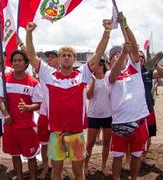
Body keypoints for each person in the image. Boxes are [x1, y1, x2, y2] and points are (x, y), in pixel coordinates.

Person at [26, 18, 112, 180]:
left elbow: (98, 53)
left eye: (69, 55)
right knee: (56, 171)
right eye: (63, 55)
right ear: (59, 59)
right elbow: (30, 55)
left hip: (76, 133)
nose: (66, 57)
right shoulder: (48, 74)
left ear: (74, 59)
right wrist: (29, 33)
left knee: (78, 171)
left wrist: (107, 31)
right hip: (56, 133)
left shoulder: (83, 74)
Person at [107, 14, 149, 180]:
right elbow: (114, 75)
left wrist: (125, 25)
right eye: (114, 56)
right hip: (119, 122)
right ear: (110, 62)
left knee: (137, 155)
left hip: (139, 120)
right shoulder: (111, 73)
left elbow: (133, 43)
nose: (119, 56)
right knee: (117, 156)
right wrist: (123, 53)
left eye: (120, 54)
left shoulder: (135, 68)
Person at [0, 50, 42, 180]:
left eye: (20, 60)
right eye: (14, 60)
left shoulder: (33, 82)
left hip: (27, 127)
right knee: (15, 155)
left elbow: (39, 104)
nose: (16, 63)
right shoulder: (4, 79)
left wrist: (28, 107)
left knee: (31, 157)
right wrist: (6, 114)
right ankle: (20, 177)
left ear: (26, 63)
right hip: (10, 126)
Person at [84, 59, 111, 175]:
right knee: (90, 143)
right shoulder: (89, 79)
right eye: (97, 64)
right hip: (93, 115)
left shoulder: (109, 78)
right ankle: (85, 165)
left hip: (108, 115)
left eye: (101, 64)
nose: (99, 66)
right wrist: (94, 82)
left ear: (103, 66)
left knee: (106, 142)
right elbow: (89, 96)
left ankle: (103, 166)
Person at [139, 50, 163, 166]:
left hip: (149, 107)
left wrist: (155, 63)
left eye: (142, 57)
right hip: (135, 110)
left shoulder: (148, 71)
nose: (140, 58)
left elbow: (162, 74)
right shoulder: (131, 71)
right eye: (138, 56)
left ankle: (143, 158)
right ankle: (130, 160)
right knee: (134, 136)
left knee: (148, 135)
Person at [37, 49, 59, 179]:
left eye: (52, 57)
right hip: (45, 113)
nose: (49, 59)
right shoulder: (43, 71)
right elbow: (32, 56)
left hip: (58, 115)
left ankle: (57, 169)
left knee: (58, 144)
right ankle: (45, 167)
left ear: (58, 59)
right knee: (44, 143)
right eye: (48, 57)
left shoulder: (65, 73)